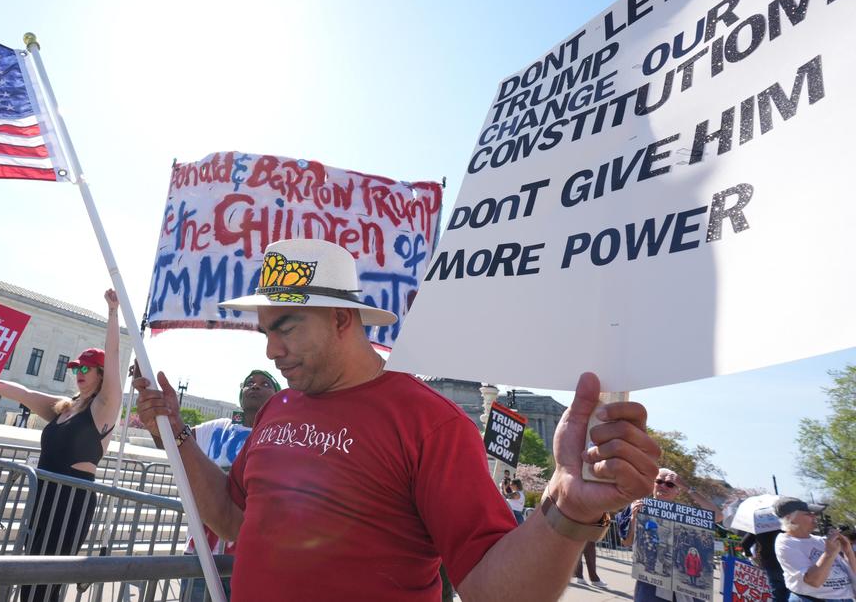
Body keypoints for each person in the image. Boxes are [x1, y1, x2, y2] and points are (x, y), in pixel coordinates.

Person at [132, 238, 661, 602]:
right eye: (266, 331)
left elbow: (491, 589)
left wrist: (566, 510)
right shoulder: (277, 407)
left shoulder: (431, 423)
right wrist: (176, 434)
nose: (271, 351)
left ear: (342, 319)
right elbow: (233, 519)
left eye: (286, 328)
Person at [0, 289, 123, 602]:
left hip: (71, 500)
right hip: (44, 495)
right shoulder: (66, 406)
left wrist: (113, 312)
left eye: (85, 369)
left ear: (101, 374)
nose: (78, 373)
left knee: (47, 581)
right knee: (29, 577)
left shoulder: (104, 407)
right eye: (76, 369)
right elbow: (24, 394)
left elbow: (114, 356)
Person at [179, 369, 281, 602]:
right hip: (201, 556)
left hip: (251, 561)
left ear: (277, 397)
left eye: (265, 384)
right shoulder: (217, 428)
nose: (255, 386)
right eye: (249, 383)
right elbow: (172, 440)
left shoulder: (282, 437)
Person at [618, 468, 722, 601]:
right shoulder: (637, 506)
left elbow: (718, 516)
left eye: (670, 484)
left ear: (678, 491)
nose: (663, 486)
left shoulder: (686, 514)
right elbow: (626, 542)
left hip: (685, 593)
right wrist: (633, 518)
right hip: (650, 587)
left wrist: (687, 487)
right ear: (652, 484)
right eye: (659, 481)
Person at [774, 498, 856, 602]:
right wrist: (829, 553)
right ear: (790, 518)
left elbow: (852, 572)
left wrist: (848, 550)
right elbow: (814, 581)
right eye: (808, 514)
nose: (814, 516)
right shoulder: (786, 543)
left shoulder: (820, 540)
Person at [742, 529, 791, 602]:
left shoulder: (760, 527)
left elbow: (744, 543)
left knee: (777, 595)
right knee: (791, 593)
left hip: (770, 565)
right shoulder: (784, 526)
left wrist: (751, 556)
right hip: (786, 564)